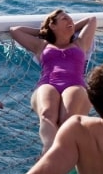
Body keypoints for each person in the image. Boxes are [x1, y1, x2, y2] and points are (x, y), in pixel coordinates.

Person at [9, 10, 98, 154]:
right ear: (52, 25)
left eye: (71, 19)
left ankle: (65, 154)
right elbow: (15, 31)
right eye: (64, 19)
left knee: (67, 119)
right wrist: (42, 31)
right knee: (47, 114)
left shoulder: (80, 43)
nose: (70, 22)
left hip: (75, 85)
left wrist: (70, 27)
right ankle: (49, 151)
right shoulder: (42, 46)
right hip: (48, 84)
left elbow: (92, 20)